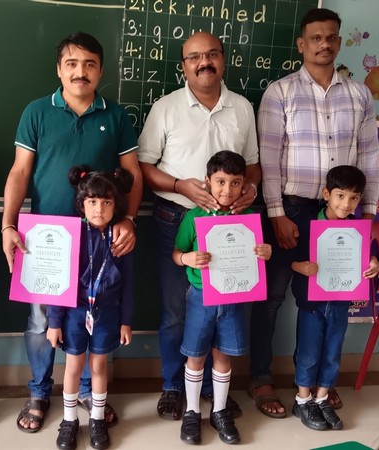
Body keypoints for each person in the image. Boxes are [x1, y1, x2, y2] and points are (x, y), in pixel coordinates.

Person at [2, 32, 143, 433]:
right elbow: (20, 171)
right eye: (72, 64)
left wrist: (129, 219)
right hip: (45, 237)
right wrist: (9, 223)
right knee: (40, 319)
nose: (81, 72)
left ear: (101, 70)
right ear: (59, 69)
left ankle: (85, 391)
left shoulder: (116, 116)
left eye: (90, 64)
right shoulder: (36, 112)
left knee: (96, 313)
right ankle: (39, 391)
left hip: (100, 236)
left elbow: (132, 174)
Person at [253, 7, 379, 419]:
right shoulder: (280, 92)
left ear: (339, 41)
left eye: (331, 37)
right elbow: (269, 158)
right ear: (302, 44)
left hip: (341, 212)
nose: (324, 44)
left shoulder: (359, 95)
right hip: (292, 207)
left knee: (331, 297)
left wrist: (367, 215)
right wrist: (277, 213)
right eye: (316, 38)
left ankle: (315, 387)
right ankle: (261, 378)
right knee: (272, 297)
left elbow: (370, 157)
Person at [137, 31, 260, 421]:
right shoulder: (166, 107)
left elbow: (253, 165)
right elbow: (143, 166)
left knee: (223, 309)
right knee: (177, 311)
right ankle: (175, 386)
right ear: (184, 66)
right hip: (177, 218)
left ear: (223, 60)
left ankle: (211, 389)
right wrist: (178, 185)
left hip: (229, 227)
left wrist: (250, 189)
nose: (204, 62)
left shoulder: (242, 108)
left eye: (211, 55)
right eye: (194, 57)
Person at [172, 151, 271, 445]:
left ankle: (219, 410)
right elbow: (176, 253)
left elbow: (259, 255)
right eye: (221, 182)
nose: (227, 190)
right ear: (208, 181)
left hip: (234, 298)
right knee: (195, 355)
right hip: (201, 296)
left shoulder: (249, 219)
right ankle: (192, 411)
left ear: (244, 185)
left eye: (235, 183)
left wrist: (266, 252)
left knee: (223, 355)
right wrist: (187, 258)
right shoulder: (194, 217)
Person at [46, 166, 134, 450]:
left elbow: (129, 283)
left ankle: (96, 418)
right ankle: (69, 420)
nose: (99, 209)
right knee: (73, 366)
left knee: (98, 366)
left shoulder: (121, 237)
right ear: (81, 204)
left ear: (116, 205)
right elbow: (59, 281)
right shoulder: (71, 235)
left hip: (106, 314)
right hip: (74, 313)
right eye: (92, 202)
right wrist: (54, 322)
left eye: (107, 202)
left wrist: (126, 321)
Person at [289, 166, 379, 431]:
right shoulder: (307, 224)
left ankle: (322, 397)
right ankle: (302, 400)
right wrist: (301, 267)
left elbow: (367, 258)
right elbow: (288, 260)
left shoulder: (357, 229)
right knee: (308, 351)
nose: (346, 204)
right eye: (340, 196)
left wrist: (373, 263)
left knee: (332, 351)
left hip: (340, 301)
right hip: (311, 303)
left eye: (354, 198)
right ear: (326, 194)